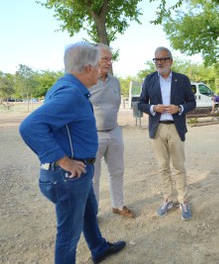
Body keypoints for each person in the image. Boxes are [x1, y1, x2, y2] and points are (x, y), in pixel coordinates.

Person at [19, 42, 126, 263]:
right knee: (69, 235)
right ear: (88, 68)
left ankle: (98, 248)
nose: (101, 69)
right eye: (98, 66)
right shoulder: (71, 95)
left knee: (89, 211)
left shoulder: (68, 87)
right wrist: (63, 160)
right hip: (68, 177)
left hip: (80, 172)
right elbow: (30, 126)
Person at [138, 46, 196, 220]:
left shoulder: (182, 80)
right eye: (156, 60)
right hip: (158, 128)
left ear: (171, 61)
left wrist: (179, 108)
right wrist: (152, 108)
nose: (159, 62)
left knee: (178, 166)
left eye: (163, 59)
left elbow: (192, 103)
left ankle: (183, 200)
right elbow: (140, 103)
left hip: (175, 127)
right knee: (163, 167)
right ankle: (167, 199)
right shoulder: (149, 80)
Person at [90, 44, 134, 218]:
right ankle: (92, 213)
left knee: (117, 171)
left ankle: (118, 205)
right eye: (105, 58)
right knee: (93, 177)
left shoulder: (115, 81)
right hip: (94, 134)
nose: (109, 62)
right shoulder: (86, 81)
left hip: (114, 132)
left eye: (110, 58)